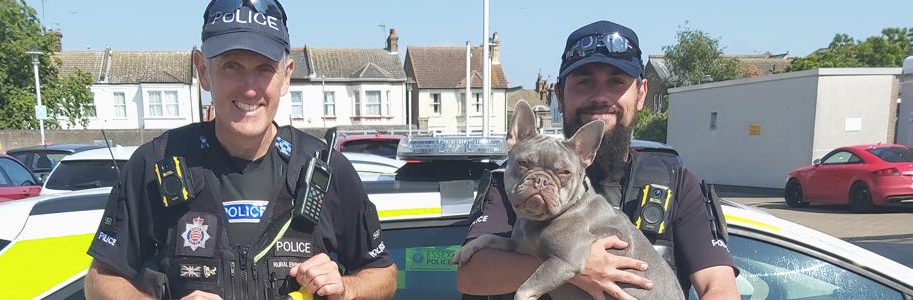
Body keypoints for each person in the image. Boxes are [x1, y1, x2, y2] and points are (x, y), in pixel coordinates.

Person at [83, 0, 397, 299]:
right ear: (203, 72)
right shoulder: (155, 162)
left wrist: (346, 288)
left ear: (286, 76)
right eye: (232, 66)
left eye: (264, 68)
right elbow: (99, 280)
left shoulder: (327, 170)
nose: (249, 88)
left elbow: (383, 273)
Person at [455, 20, 738, 300]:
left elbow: (720, 289)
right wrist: (575, 266)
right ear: (560, 95)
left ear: (641, 94)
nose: (600, 96)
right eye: (584, 83)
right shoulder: (515, 178)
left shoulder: (678, 186)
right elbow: (471, 277)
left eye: (616, 82)